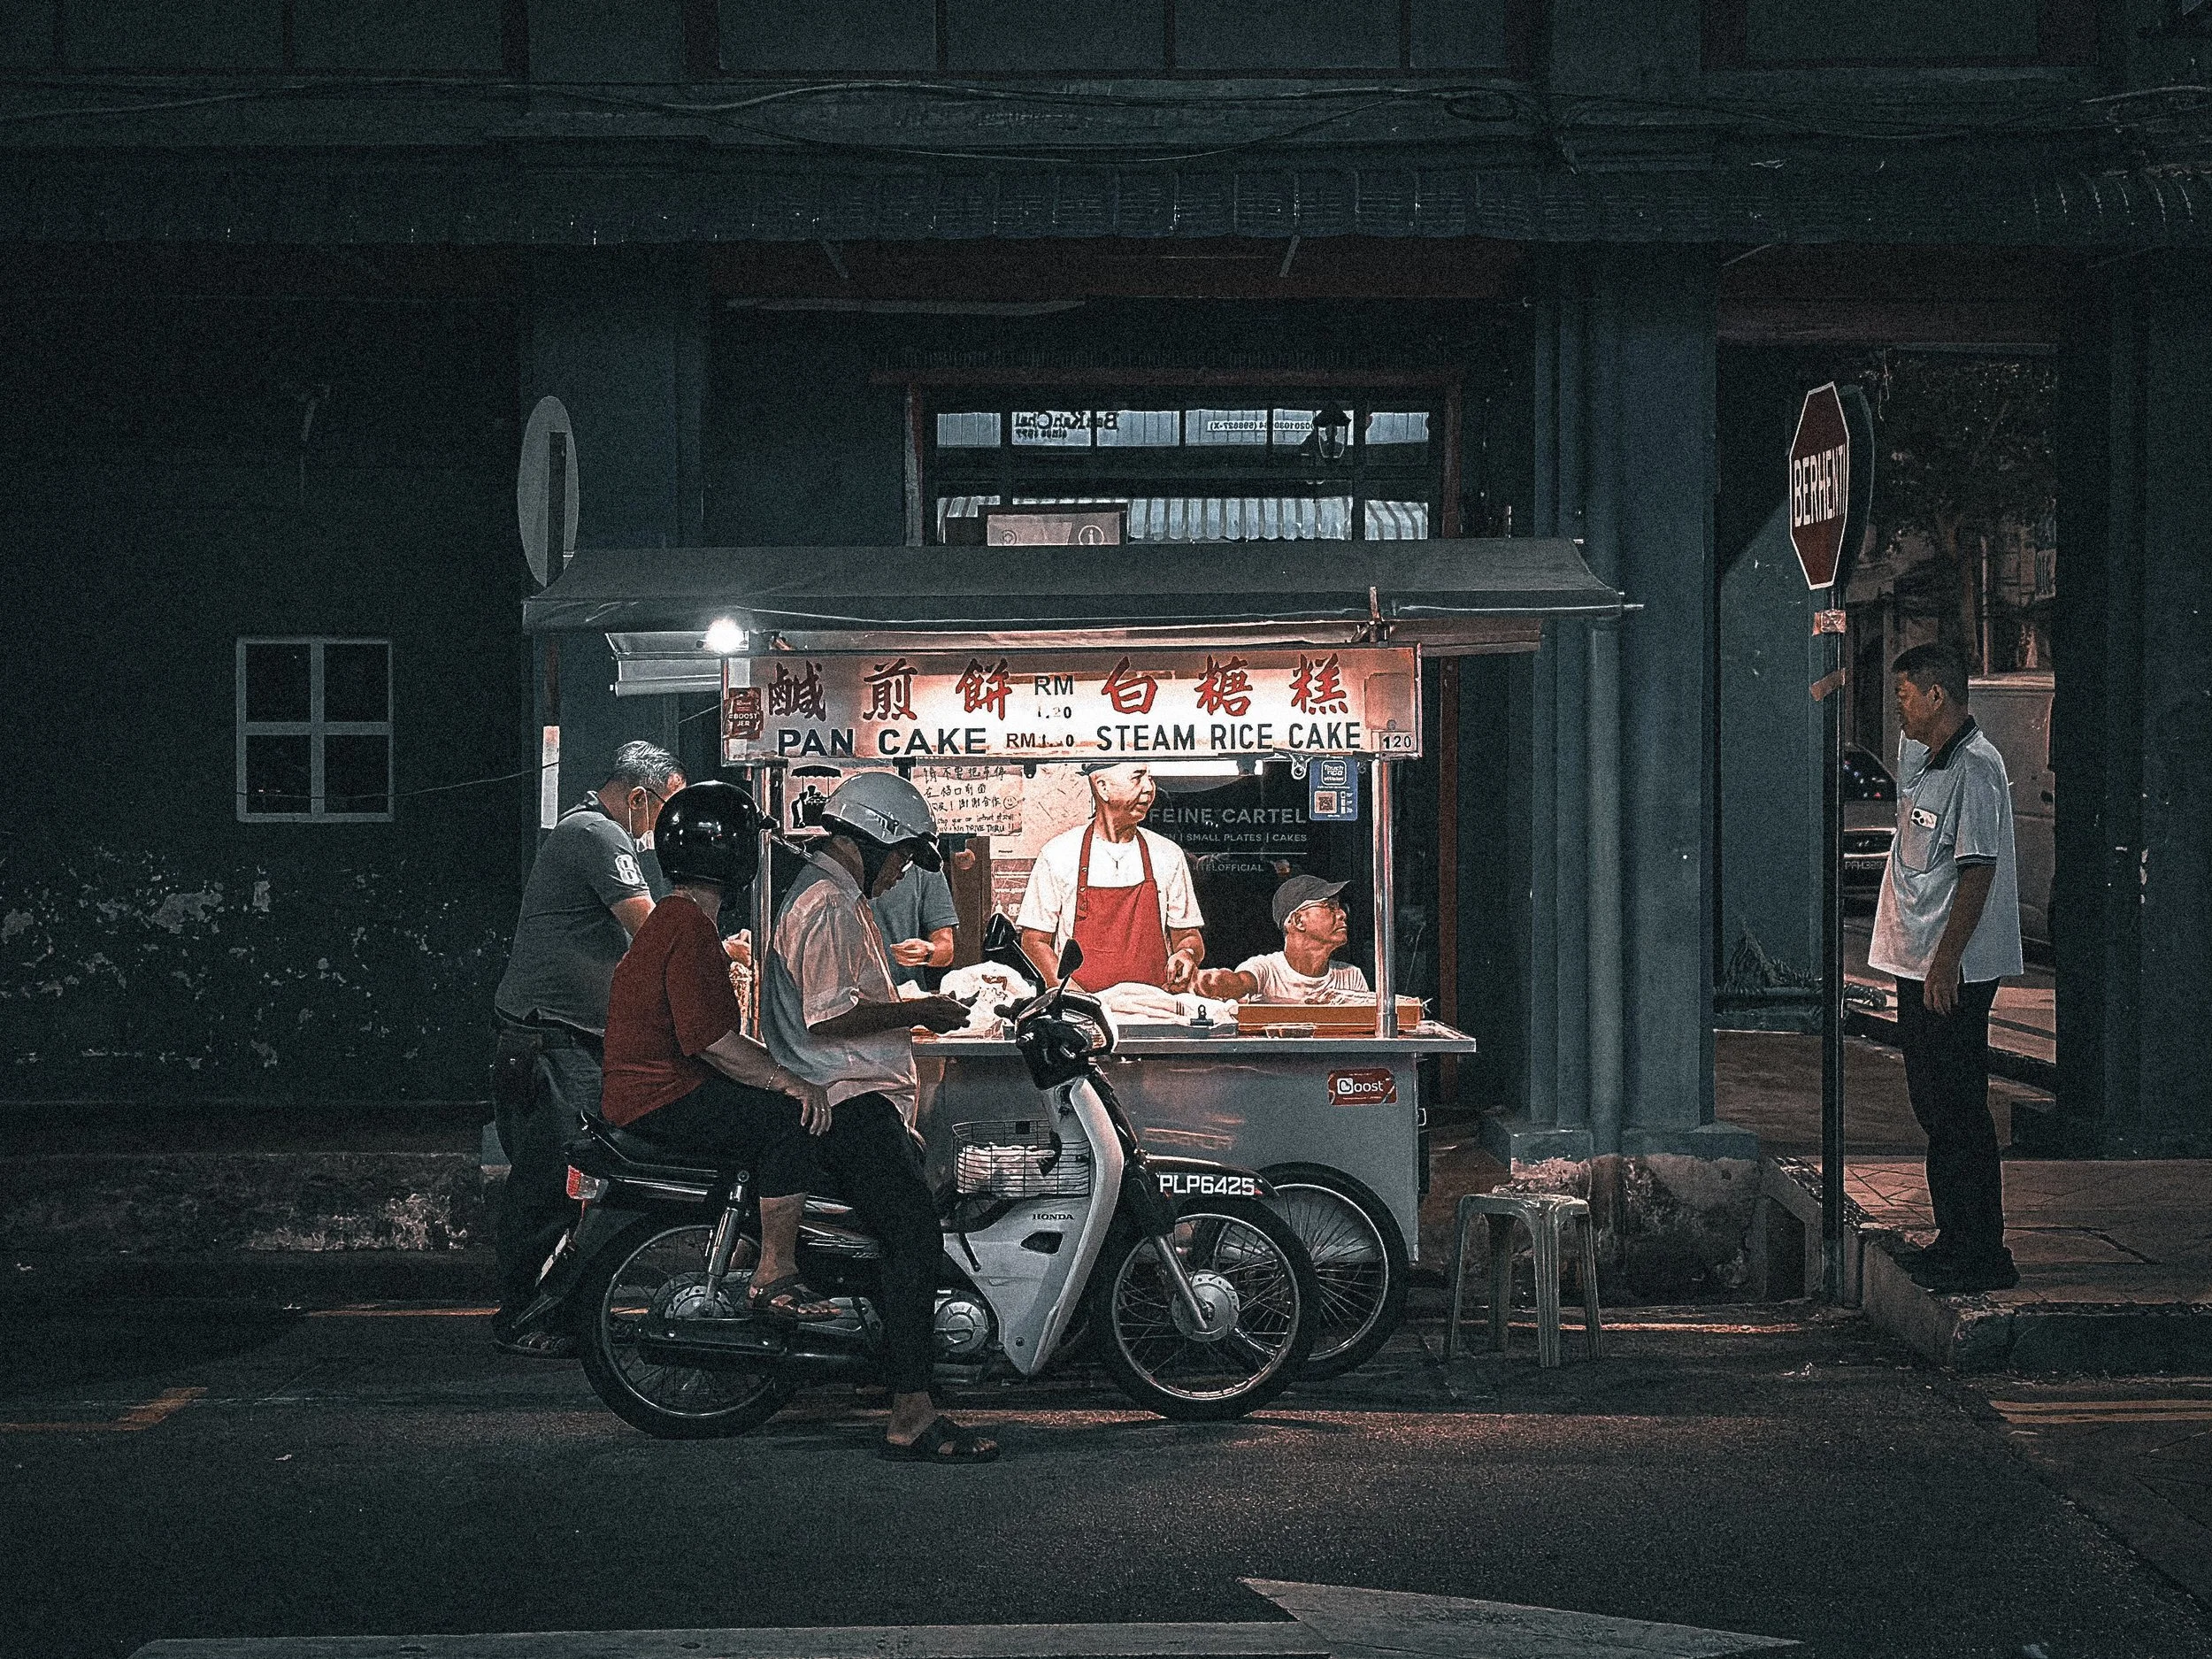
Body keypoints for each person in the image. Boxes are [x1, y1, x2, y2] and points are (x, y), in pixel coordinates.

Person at [760, 772, 998, 1463]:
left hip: (859, 1091)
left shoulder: (838, 896)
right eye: (902, 859)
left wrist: (907, 1022)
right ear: (874, 840)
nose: (901, 876)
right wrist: (920, 1009)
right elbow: (832, 1015)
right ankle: (911, 1413)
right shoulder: (828, 904)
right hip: (845, 1099)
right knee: (914, 1233)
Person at [600, 780, 840, 1323]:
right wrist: (788, 1079)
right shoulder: (688, 928)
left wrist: (776, 1068)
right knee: (790, 1122)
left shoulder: (673, 919)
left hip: (649, 1089)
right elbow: (712, 1043)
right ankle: (776, 1271)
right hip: (659, 1097)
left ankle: (745, 1246)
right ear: (735, 853)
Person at [488, 740, 683, 1356]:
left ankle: (559, 1306)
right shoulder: (597, 835)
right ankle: (522, 1314)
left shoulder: (595, 832)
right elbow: (649, 930)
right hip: (548, 1040)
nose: (663, 829)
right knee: (549, 1180)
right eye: (662, 813)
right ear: (636, 797)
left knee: (576, 1178)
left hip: (567, 1037)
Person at [1869, 642, 2025, 1294]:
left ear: (1937, 696)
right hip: (1918, 963)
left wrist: (1946, 964)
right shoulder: (1927, 760)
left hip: (1950, 971)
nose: (1897, 708)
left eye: (1905, 695)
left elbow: (1978, 868)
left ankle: (1983, 1249)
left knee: (1959, 1107)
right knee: (1933, 1105)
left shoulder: (1977, 768)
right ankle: (1953, 1237)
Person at [1016, 762, 1204, 995]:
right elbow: (1034, 942)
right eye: (1137, 778)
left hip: (1154, 1005)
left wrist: (1187, 953)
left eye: (1150, 778)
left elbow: (1188, 935)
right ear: (1103, 787)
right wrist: (1074, 997)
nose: (1149, 788)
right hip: (1081, 1013)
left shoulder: (1168, 854)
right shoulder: (1058, 854)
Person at [1197, 874, 1369, 1003]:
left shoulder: (1351, 976)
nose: (1342, 914)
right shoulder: (1265, 970)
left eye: (1340, 907)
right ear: (1297, 921)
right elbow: (1239, 983)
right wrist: (1211, 982)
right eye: (1330, 906)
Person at [872, 856, 959, 989]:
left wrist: (928, 951)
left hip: (902, 997)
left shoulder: (925, 868)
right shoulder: (837, 864)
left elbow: (946, 949)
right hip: (841, 1000)